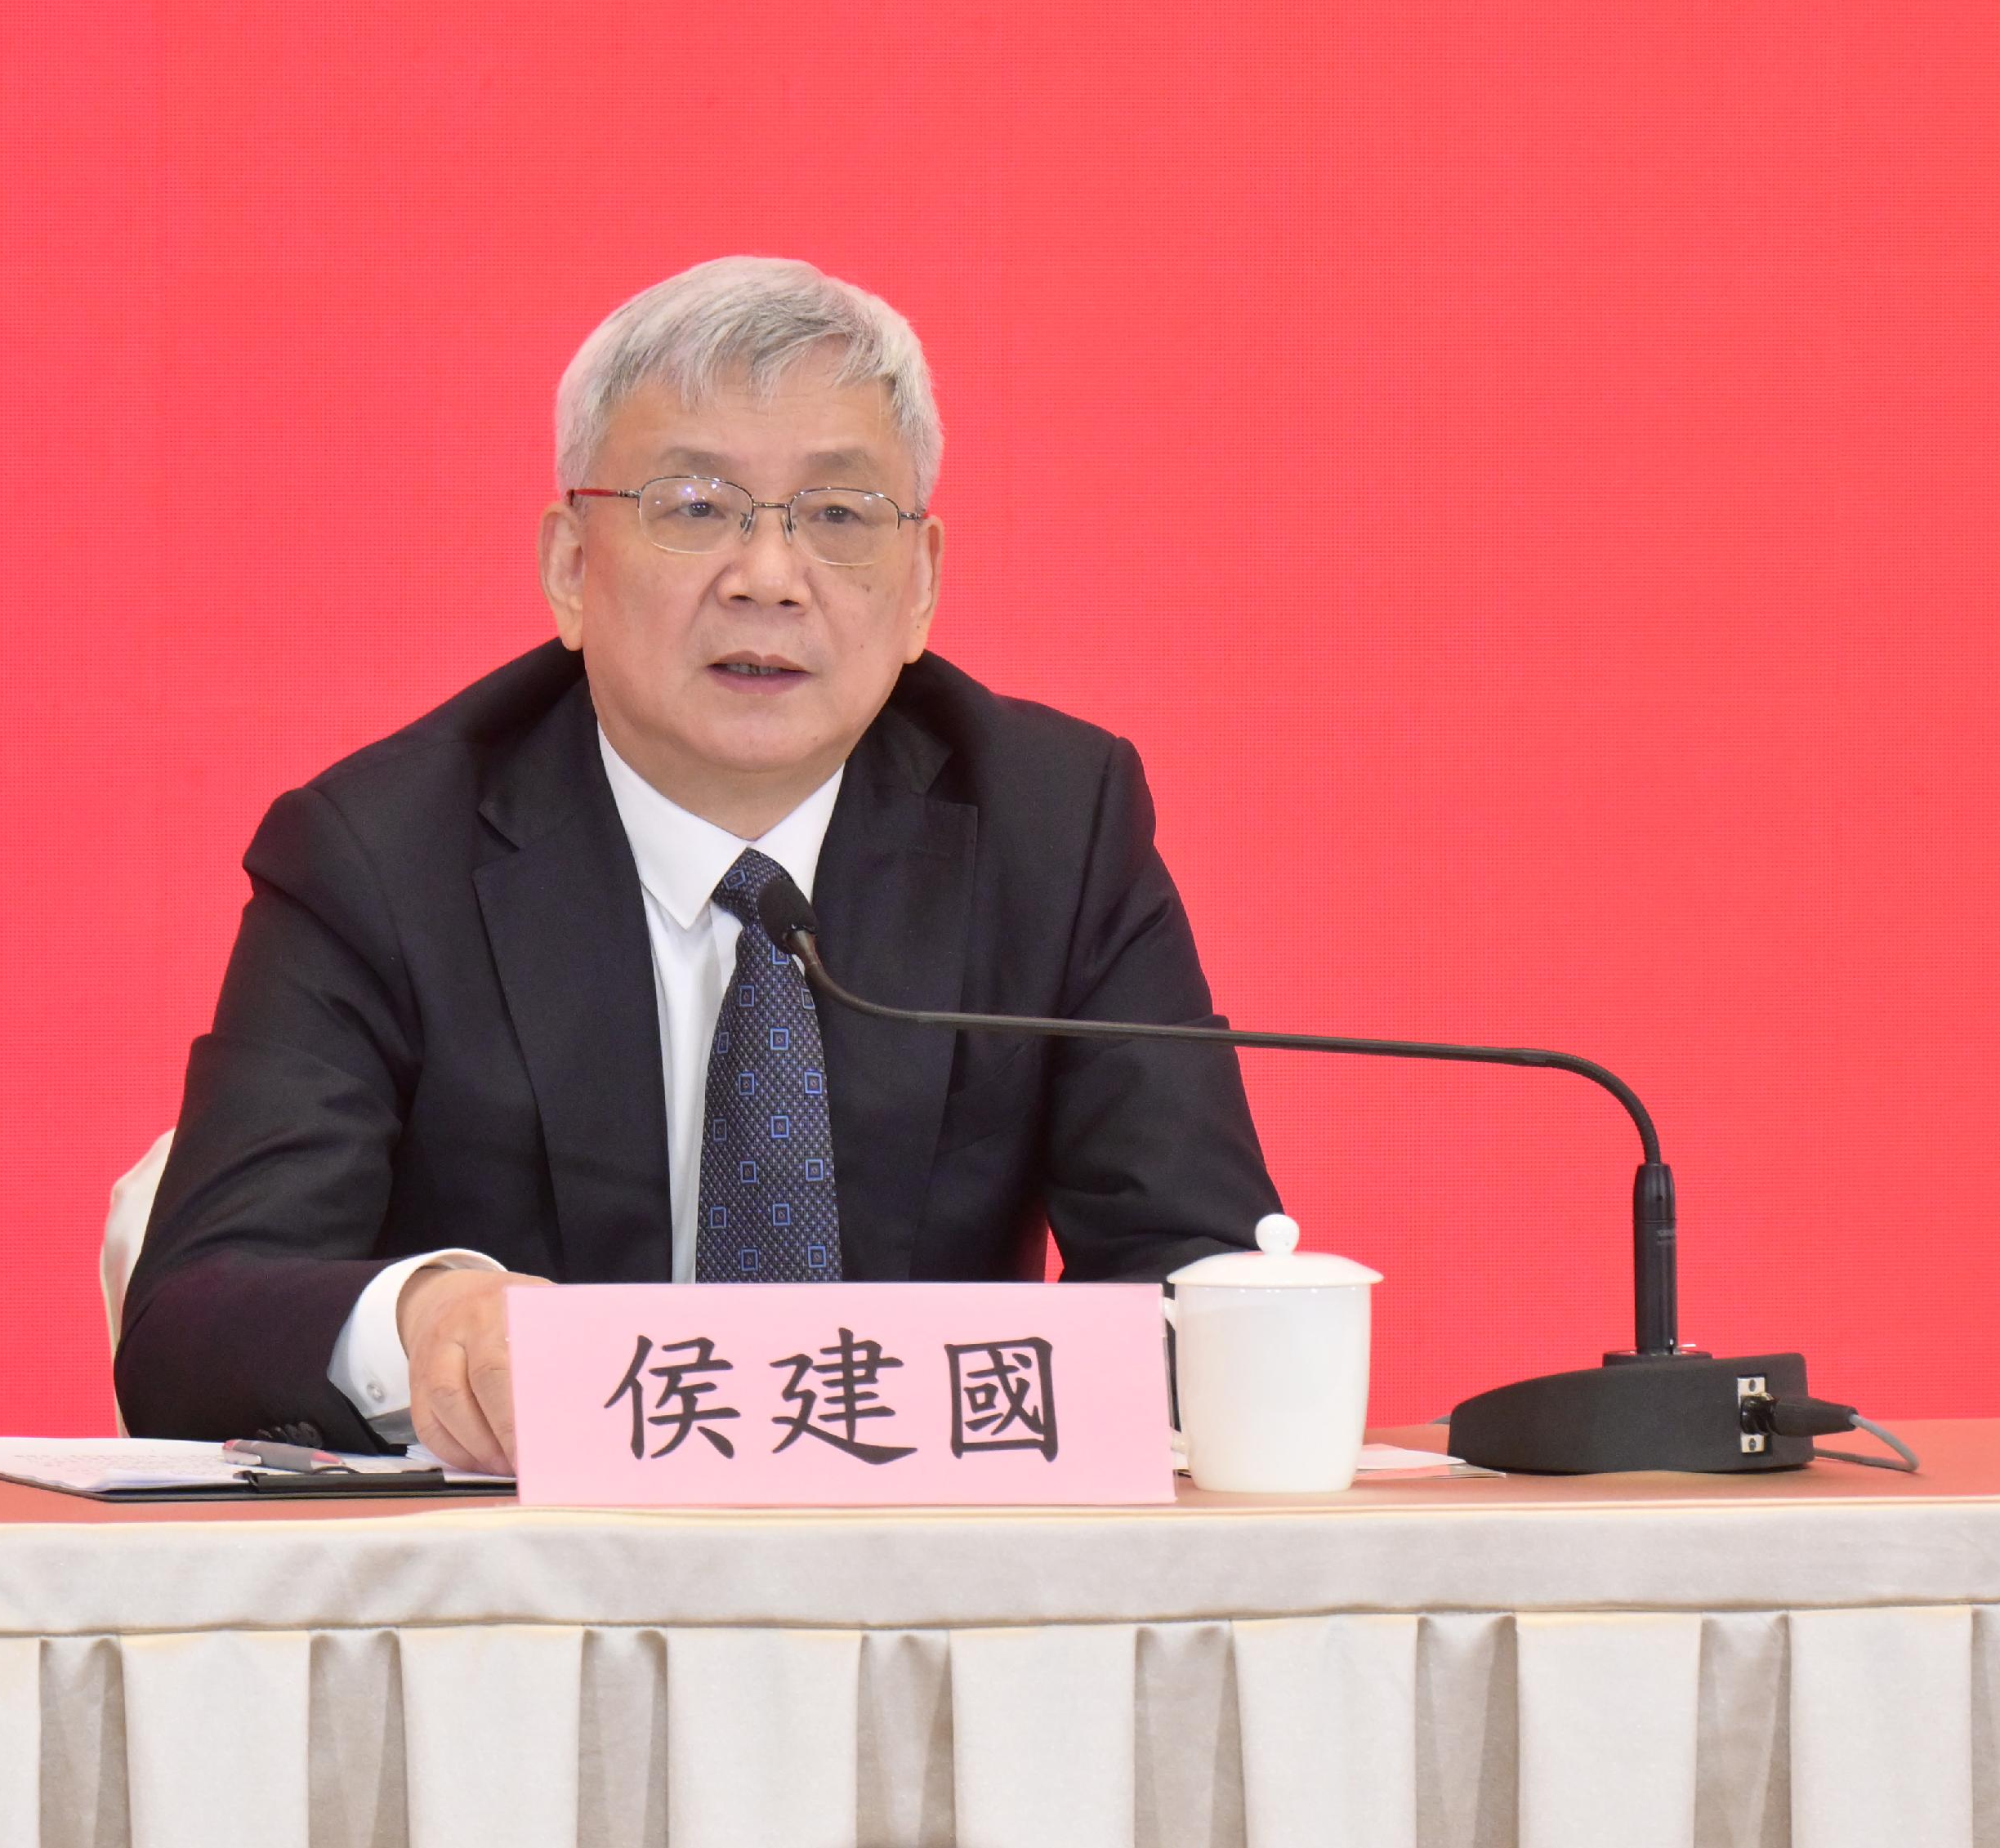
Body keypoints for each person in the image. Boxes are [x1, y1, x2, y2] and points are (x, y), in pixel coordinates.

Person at [116, 257, 1281, 1471]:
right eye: (694, 505)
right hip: (531, 1615)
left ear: (924, 583)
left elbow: (1205, 1286)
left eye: (838, 517)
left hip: (935, 1601)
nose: (767, 577)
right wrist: (422, 1321)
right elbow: (195, 1319)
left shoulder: (1054, 826)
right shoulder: (381, 855)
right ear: (571, 567)